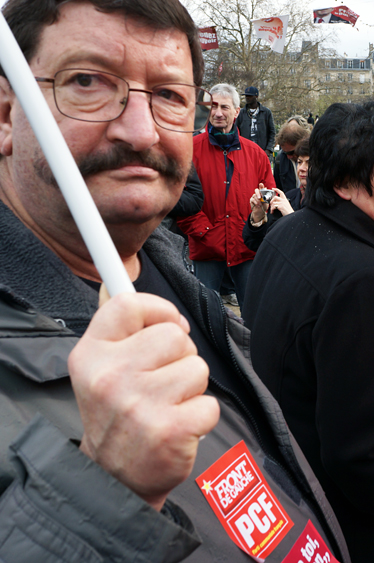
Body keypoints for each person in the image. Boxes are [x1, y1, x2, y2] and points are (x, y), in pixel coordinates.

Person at [0, 1, 349, 561]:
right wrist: (101, 491)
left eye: (168, 96)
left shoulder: (170, 279)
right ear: (5, 113)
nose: (141, 132)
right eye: (87, 81)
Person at [242, 102, 374, 562]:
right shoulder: (366, 282)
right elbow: (362, 454)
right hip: (368, 530)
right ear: (343, 185)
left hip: (302, 494)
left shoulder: (292, 230)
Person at [177, 83, 274, 310]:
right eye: (213, 106)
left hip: (246, 247)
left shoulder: (256, 154)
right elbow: (179, 198)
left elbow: (269, 196)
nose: (218, 112)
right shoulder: (189, 150)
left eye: (224, 107)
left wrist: (255, 227)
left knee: (254, 313)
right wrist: (204, 231)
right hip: (206, 246)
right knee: (205, 314)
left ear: (237, 111)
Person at [235, 85, 275, 159]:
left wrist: (268, 149)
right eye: (246, 96)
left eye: (250, 96)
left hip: (262, 152)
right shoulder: (241, 113)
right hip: (245, 153)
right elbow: (236, 131)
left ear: (256, 97)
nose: (247, 98)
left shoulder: (266, 112)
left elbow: (272, 132)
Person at [273, 117, 309, 193]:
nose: (288, 157)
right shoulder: (280, 159)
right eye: (285, 153)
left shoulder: (318, 158)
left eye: (291, 153)